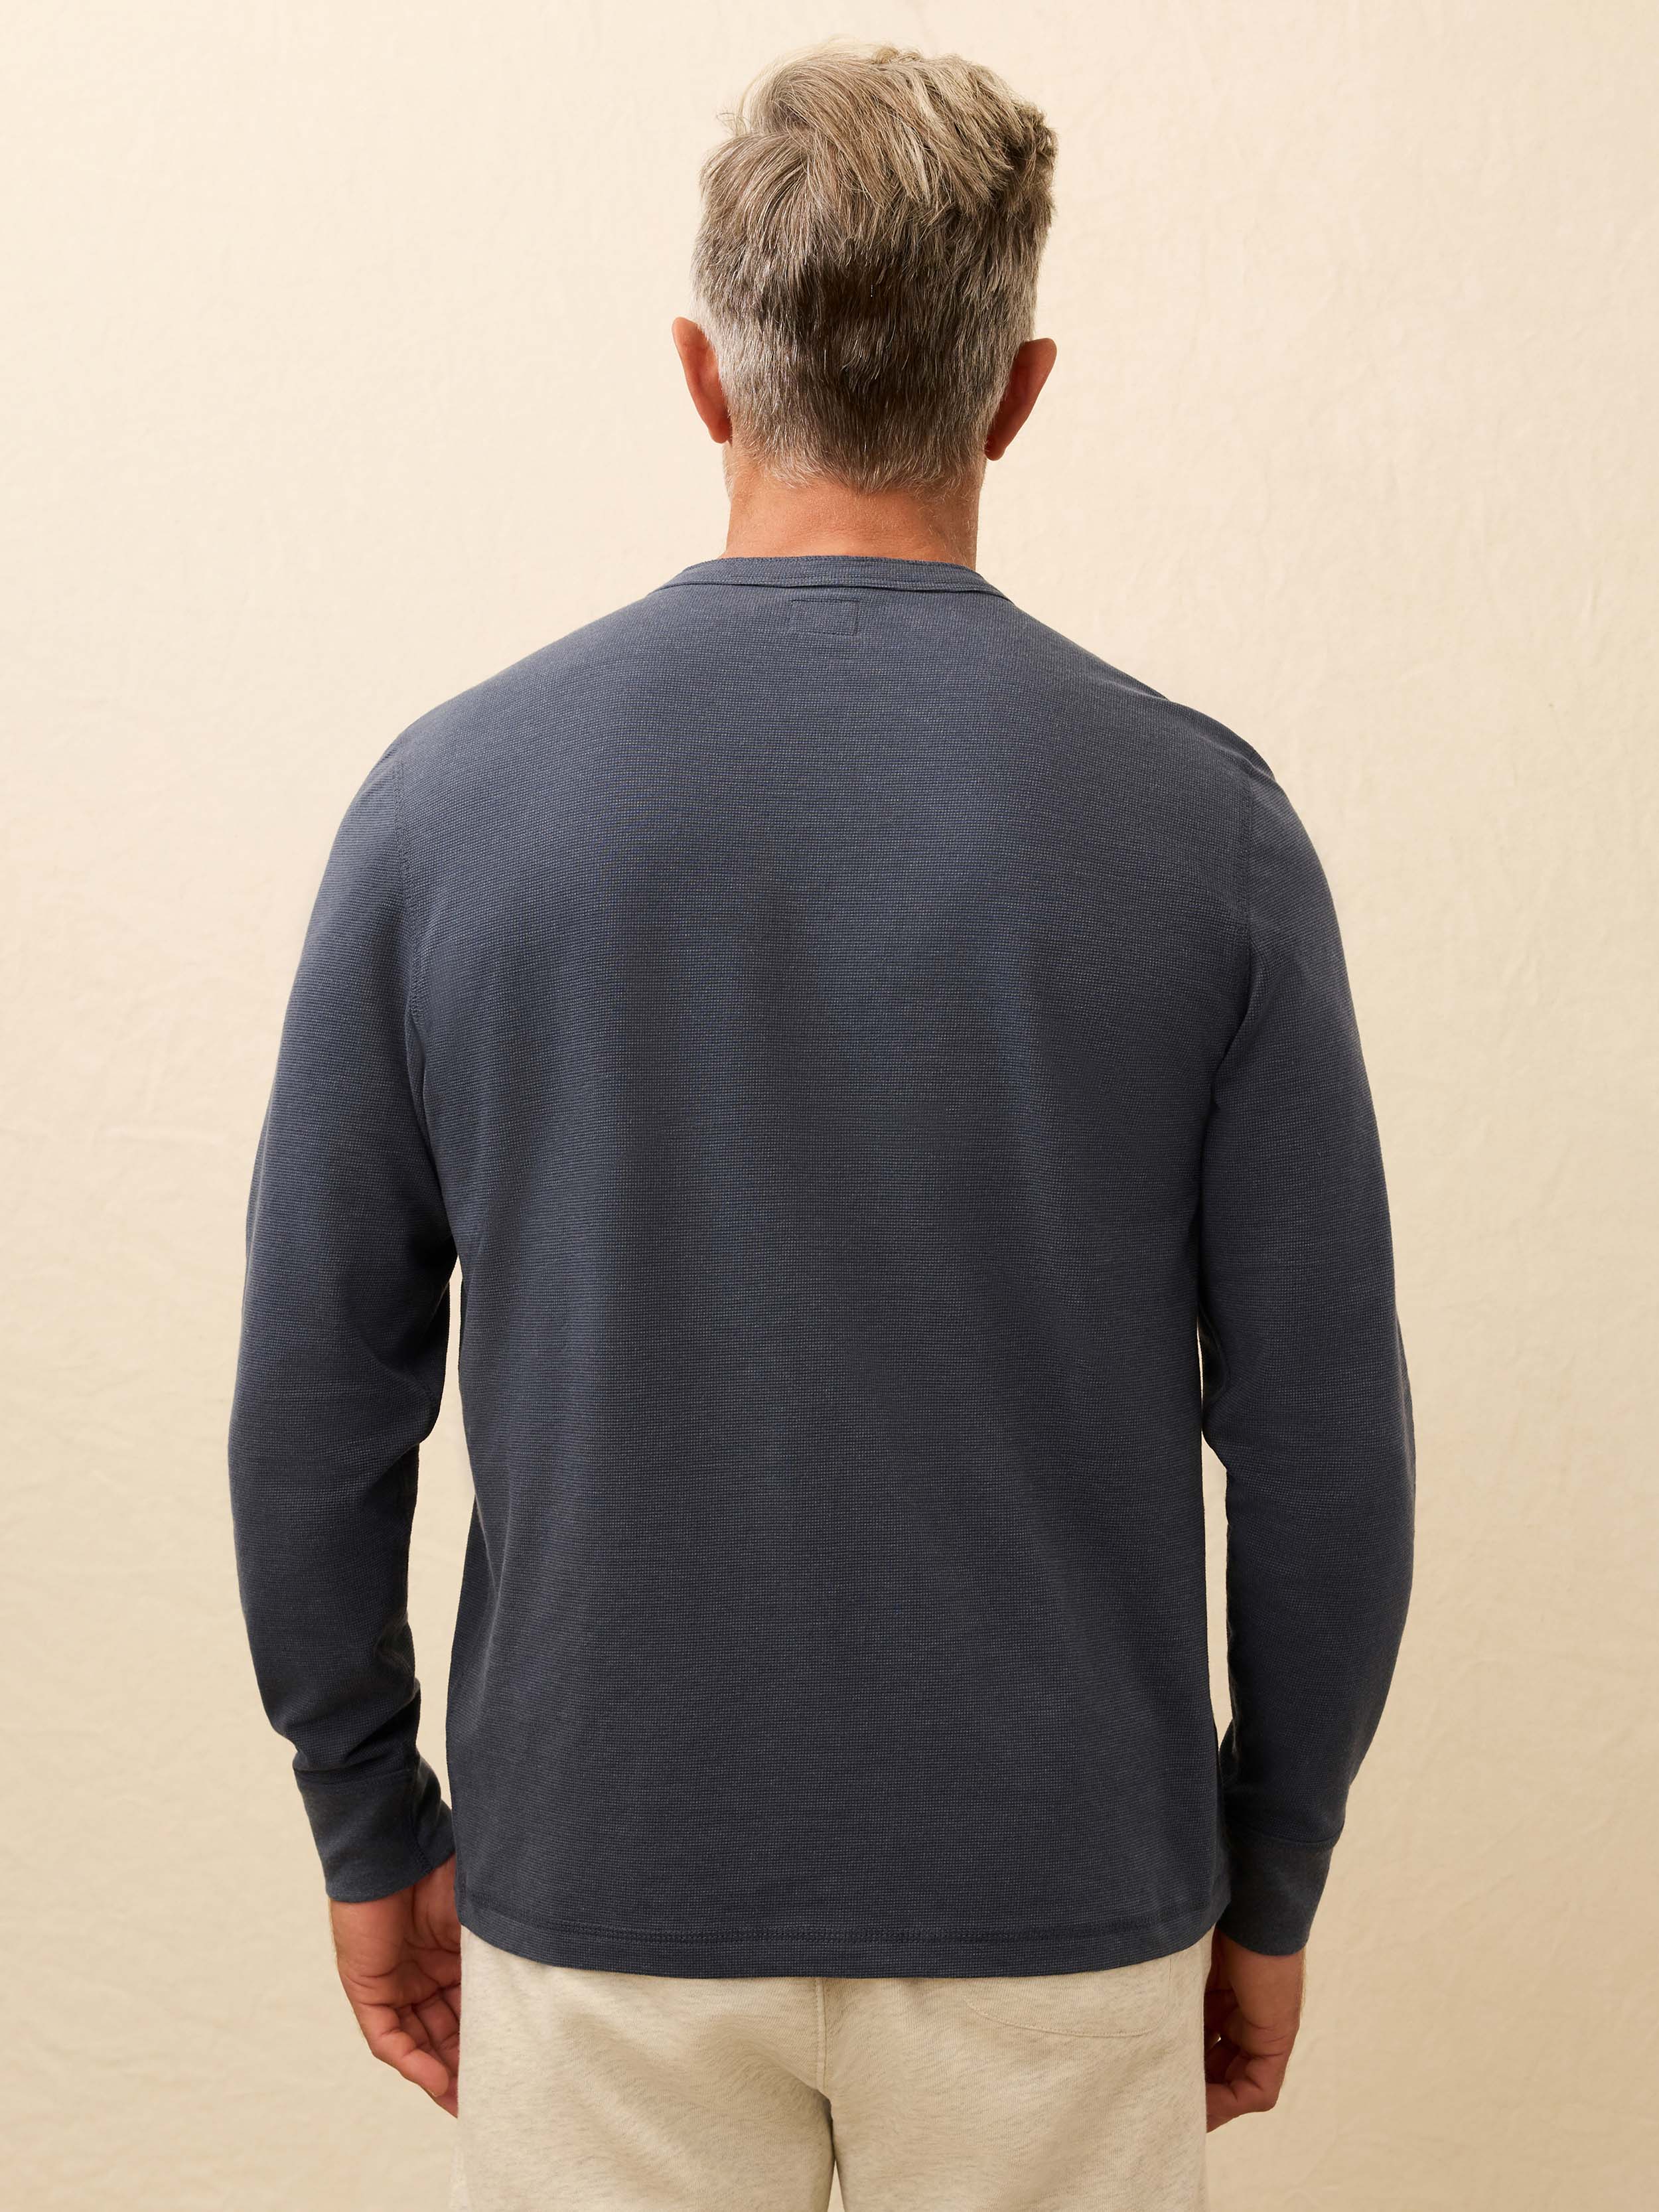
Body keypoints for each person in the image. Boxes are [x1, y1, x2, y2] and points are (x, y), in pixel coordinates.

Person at [228, 43, 1414, 2212]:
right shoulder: (1203, 832)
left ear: (702, 373)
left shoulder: (446, 809)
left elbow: (315, 1393)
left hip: (601, 1889)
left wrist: (368, 1819)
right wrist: (1272, 1878)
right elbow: (1327, 1438)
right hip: (1061, 1908)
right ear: (1016, 389)